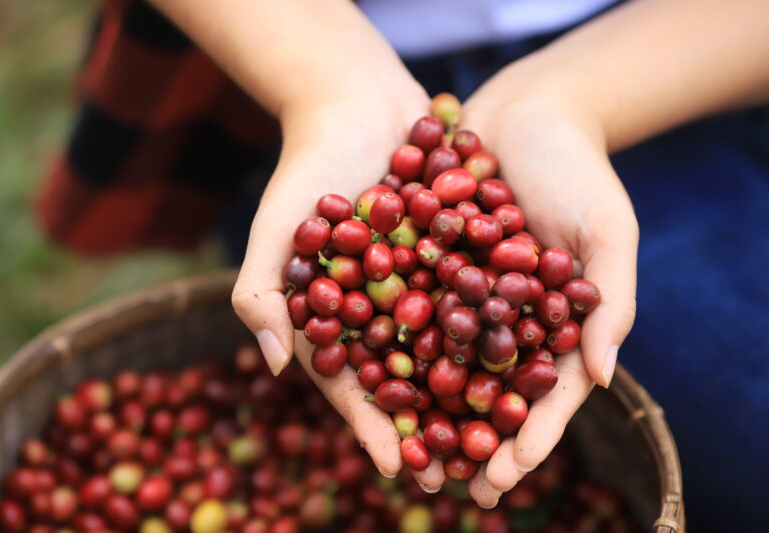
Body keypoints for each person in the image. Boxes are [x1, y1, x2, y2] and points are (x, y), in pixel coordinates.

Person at [38, 0, 769, 529]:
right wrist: (327, 89)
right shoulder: (410, 255)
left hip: (662, 60)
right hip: (299, 42)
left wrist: (566, 104)